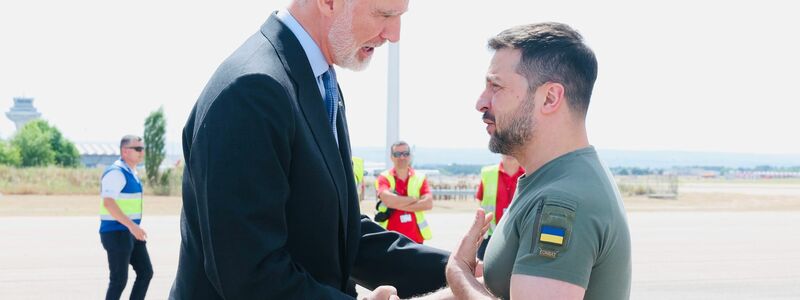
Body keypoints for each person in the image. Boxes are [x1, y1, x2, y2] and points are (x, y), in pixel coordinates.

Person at [169, 1, 449, 299]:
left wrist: (454, 271)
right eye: (384, 14)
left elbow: (343, 237)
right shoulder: (252, 90)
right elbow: (251, 276)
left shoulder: (317, 81)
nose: (394, 34)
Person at [445, 23, 632, 299]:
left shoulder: (562, 201)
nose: (481, 102)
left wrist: (459, 274)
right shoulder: (547, 181)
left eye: (496, 86)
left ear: (550, 98)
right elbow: (501, 289)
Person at [99, 135, 153, 300]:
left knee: (145, 272)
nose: (141, 152)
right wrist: (132, 226)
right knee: (119, 280)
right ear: (124, 151)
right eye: (137, 149)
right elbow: (108, 203)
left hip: (130, 232)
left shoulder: (131, 172)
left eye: (142, 148)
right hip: (116, 233)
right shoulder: (116, 173)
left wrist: (133, 228)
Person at [374, 141, 434, 244]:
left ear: (410, 156)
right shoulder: (384, 177)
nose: (402, 157)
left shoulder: (420, 177)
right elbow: (388, 200)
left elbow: (428, 204)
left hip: (416, 239)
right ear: (391, 157)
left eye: (405, 154)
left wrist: (396, 203)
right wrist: (415, 199)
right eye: (397, 154)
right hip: (389, 239)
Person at [475, 155, 524, 260]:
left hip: (520, 237)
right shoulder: (488, 174)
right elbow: (479, 199)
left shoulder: (530, 174)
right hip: (489, 235)